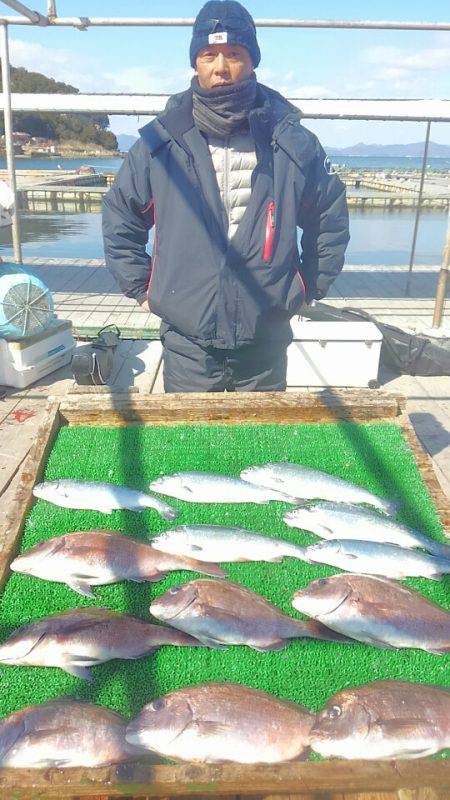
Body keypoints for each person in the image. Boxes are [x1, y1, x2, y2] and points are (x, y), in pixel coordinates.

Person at [102, 0, 349, 392]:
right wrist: (140, 287)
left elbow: (329, 218)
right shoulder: (157, 143)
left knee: (263, 448)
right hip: (188, 344)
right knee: (192, 448)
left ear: (252, 61)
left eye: (234, 53)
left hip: (265, 341)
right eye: (209, 54)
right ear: (195, 62)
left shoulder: (294, 142)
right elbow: (121, 216)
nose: (221, 66)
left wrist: (309, 285)